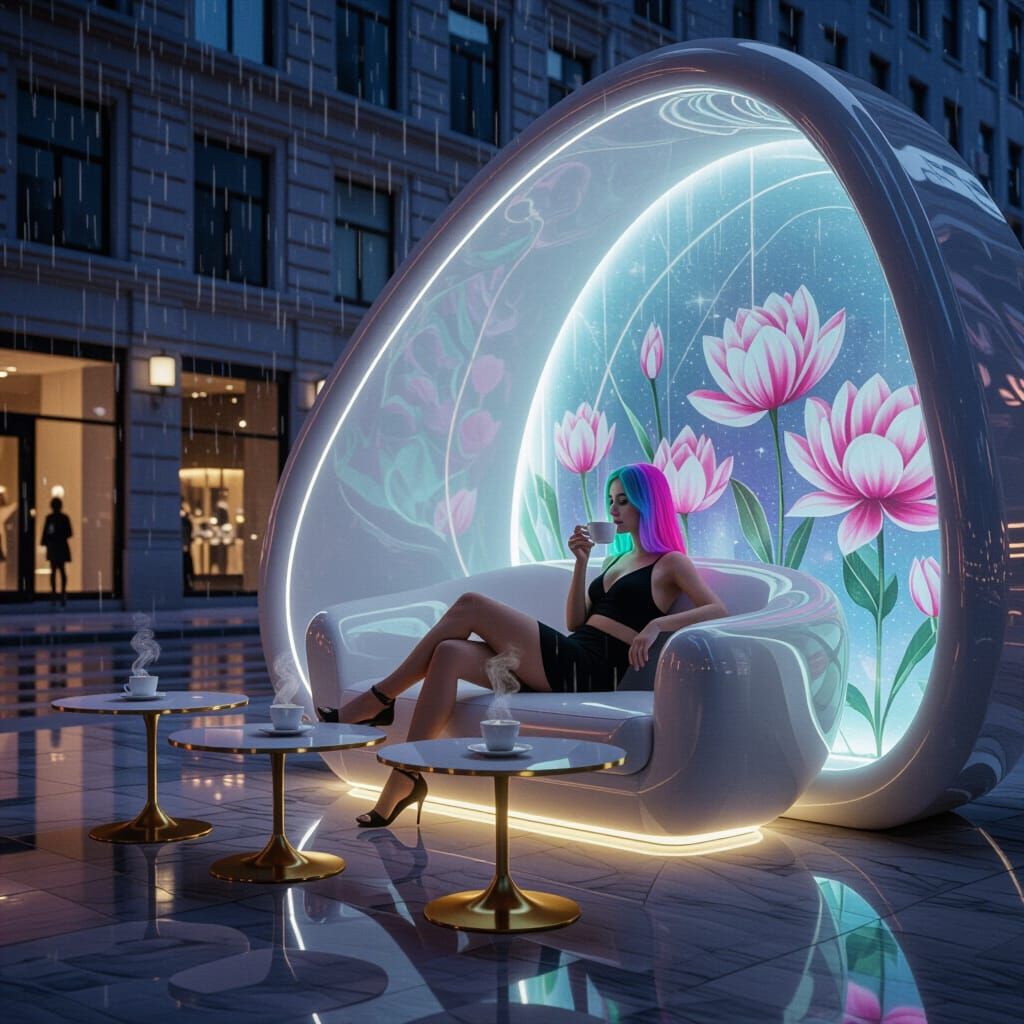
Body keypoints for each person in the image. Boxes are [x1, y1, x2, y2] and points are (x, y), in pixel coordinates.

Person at [321, 462, 728, 829]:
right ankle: (405, 778)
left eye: (624, 500)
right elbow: (574, 621)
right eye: (611, 500)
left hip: (590, 671)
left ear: (647, 502)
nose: (614, 509)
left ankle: (379, 698)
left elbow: (716, 608)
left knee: (471, 606)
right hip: (571, 654)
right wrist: (582, 562)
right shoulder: (615, 562)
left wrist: (658, 623)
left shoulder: (670, 562)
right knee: (448, 654)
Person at [41, 496, 73, 607]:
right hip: (60, 546)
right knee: (61, 570)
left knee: (54, 570)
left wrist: (46, 542)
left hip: (54, 546)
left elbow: (46, 533)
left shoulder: (50, 518)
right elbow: (69, 533)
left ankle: (55, 593)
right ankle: (62, 592)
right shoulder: (64, 518)